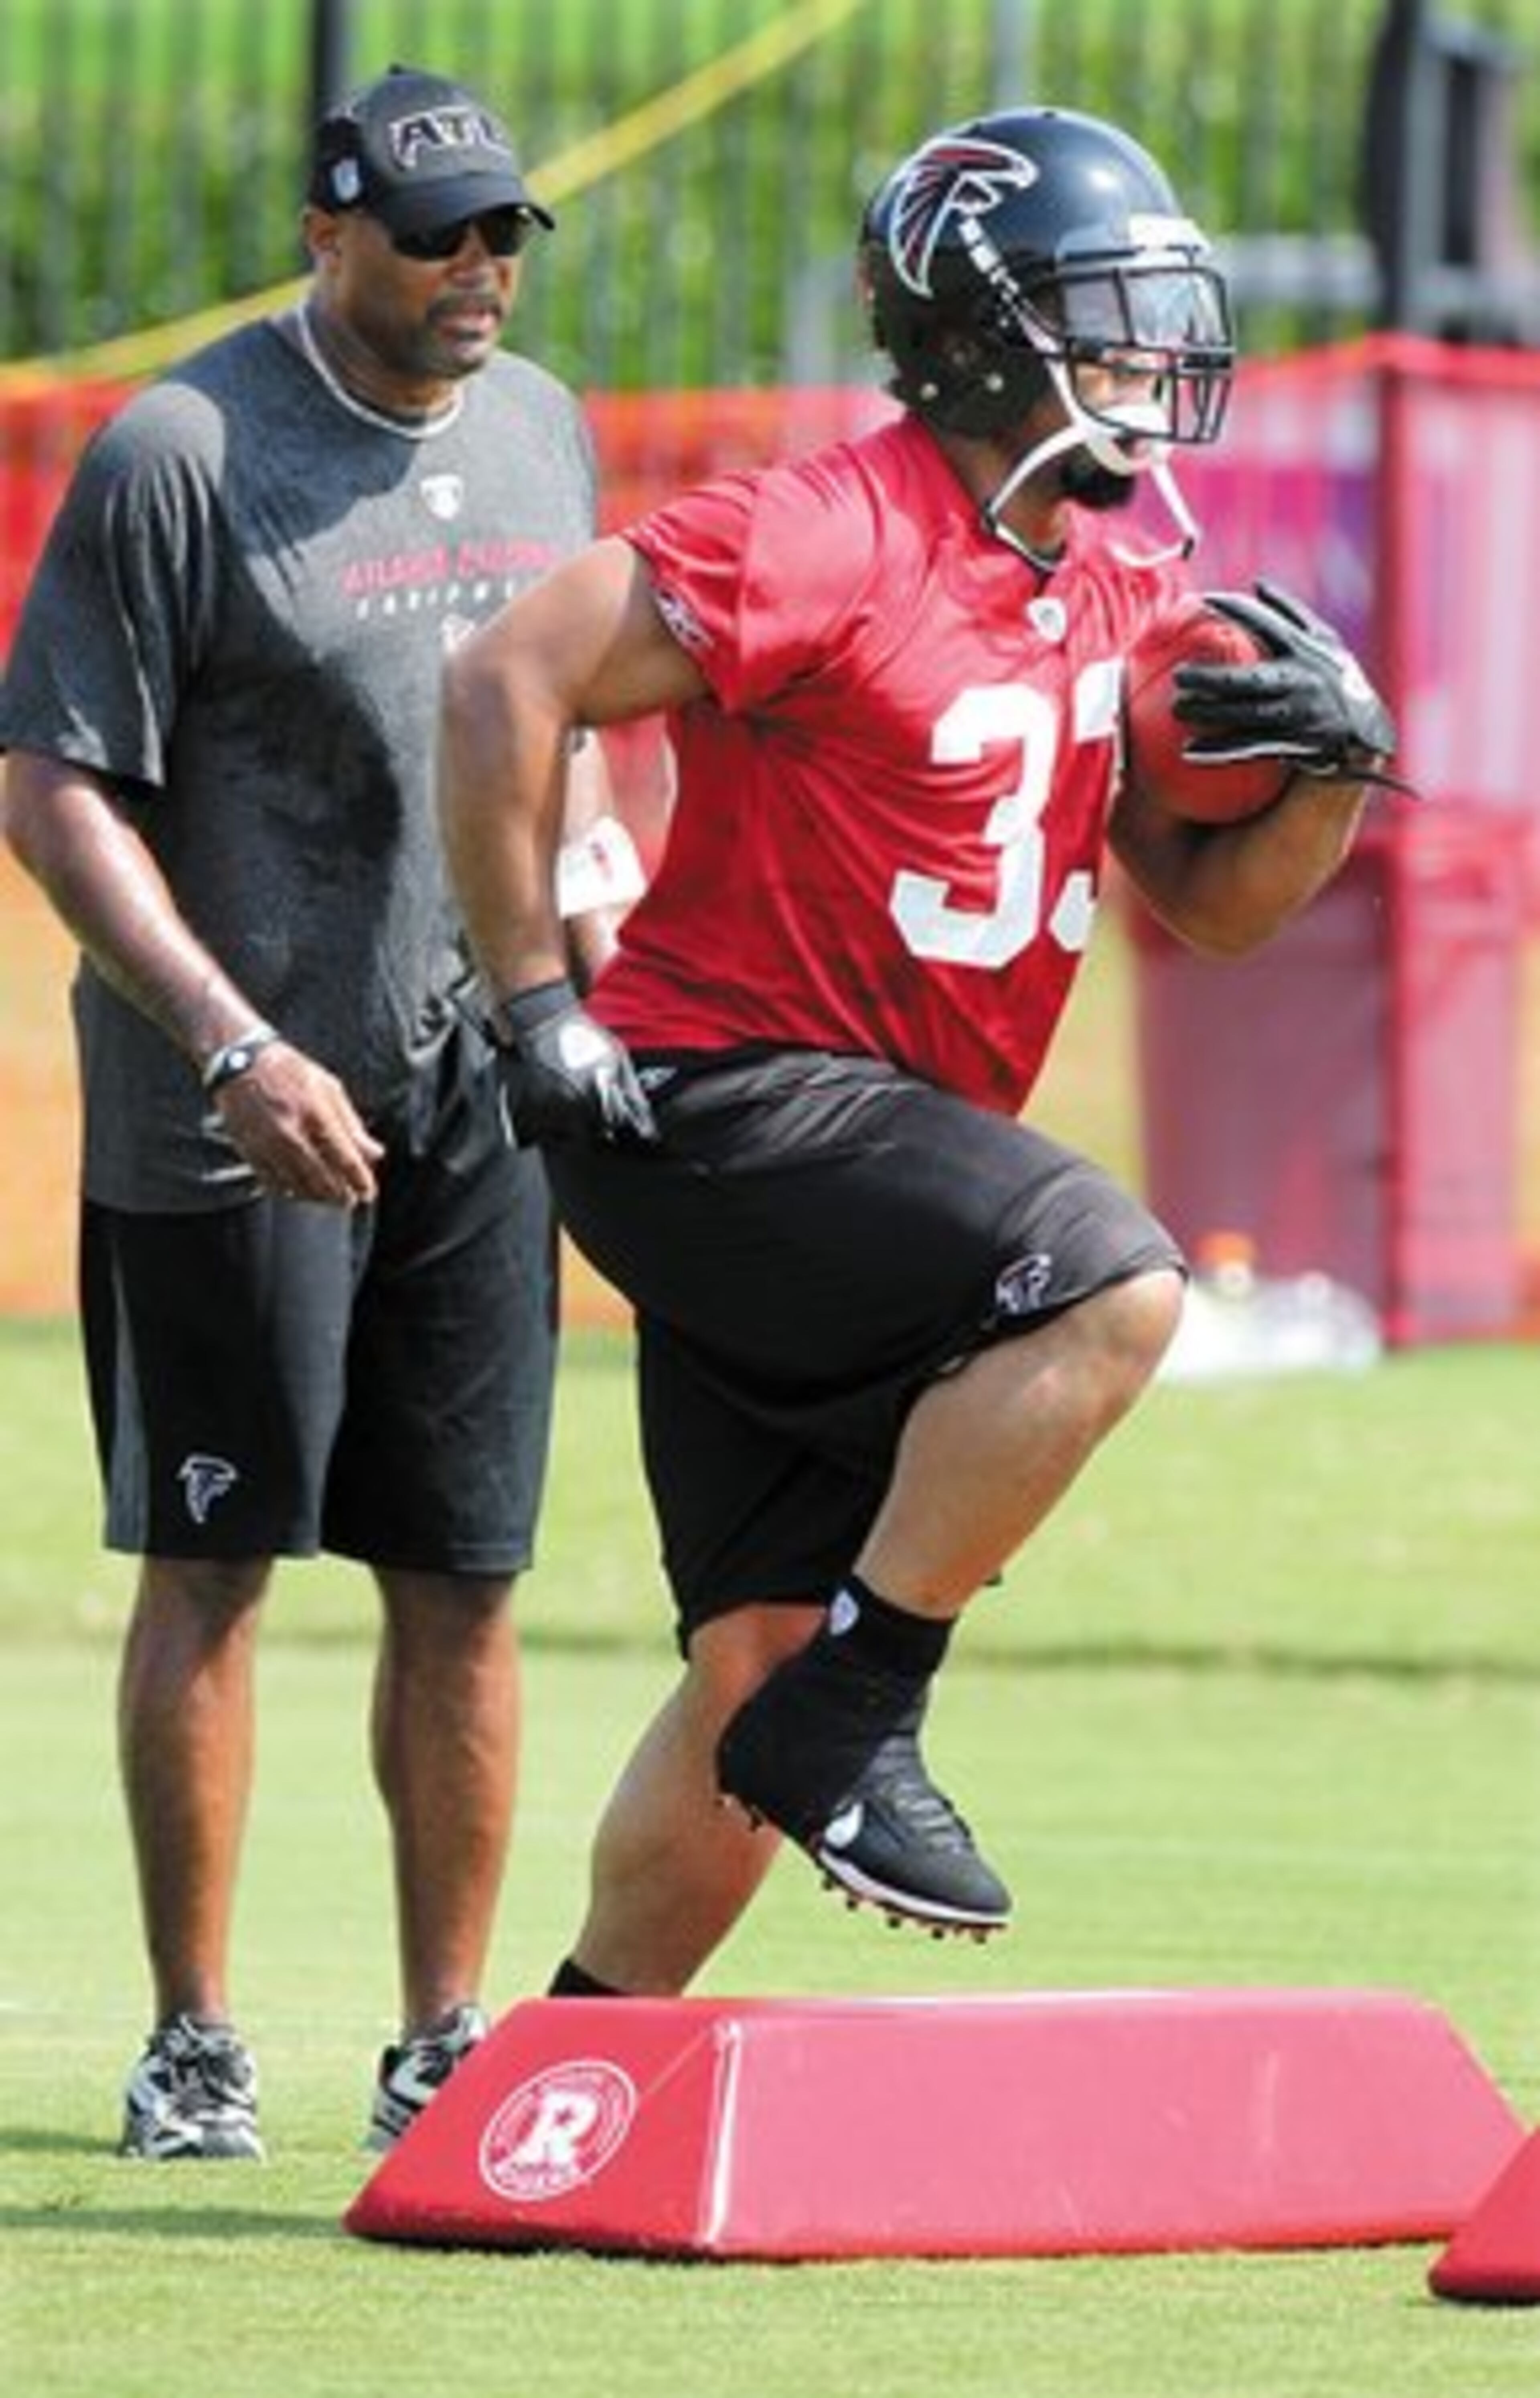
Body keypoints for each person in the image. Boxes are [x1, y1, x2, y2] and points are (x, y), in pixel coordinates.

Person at [437, 107, 1398, 1997]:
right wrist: (535, 997)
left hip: (852, 1157)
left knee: (752, 1662)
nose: (1146, 364)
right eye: (1103, 320)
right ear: (981, 328)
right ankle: (872, 1707)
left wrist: (1340, 771)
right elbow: (504, 676)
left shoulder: (1109, 589)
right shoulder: (820, 527)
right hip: (714, 1098)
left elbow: (1212, 907)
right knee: (1114, 1286)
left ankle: (562, 2071)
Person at [0, 65, 637, 2158]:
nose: (477, 272)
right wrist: (225, 1042)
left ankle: (444, 2035)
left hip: (474, 1082)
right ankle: (194, 2037)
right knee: (219, 1557)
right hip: (231, 1104)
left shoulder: (543, 427)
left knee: (463, 1570)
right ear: (325, 235)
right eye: (436, 235)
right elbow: (52, 782)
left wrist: (597, 857)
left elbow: (571, 705)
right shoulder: (183, 451)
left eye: (501, 237)